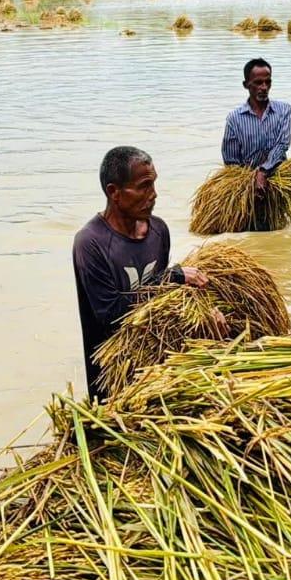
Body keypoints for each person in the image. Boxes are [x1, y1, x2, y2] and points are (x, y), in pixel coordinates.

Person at [71, 146, 210, 398]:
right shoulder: (91, 243)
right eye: (144, 186)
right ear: (114, 192)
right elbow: (112, 314)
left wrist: (204, 313)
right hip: (112, 379)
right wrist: (173, 277)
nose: (153, 195)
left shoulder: (158, 231)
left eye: (154, 184)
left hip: (156, 371)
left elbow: (162, 303)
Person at [221, 58, 291, 223]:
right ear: (246, 85)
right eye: (258, 83)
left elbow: (282, 146)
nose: (264, 87)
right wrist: (248, 182)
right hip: (247, 188)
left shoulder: (284, 111)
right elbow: (231, 162)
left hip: (277, 182)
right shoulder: (234, 119)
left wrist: (263, 172)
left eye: (268, 82)